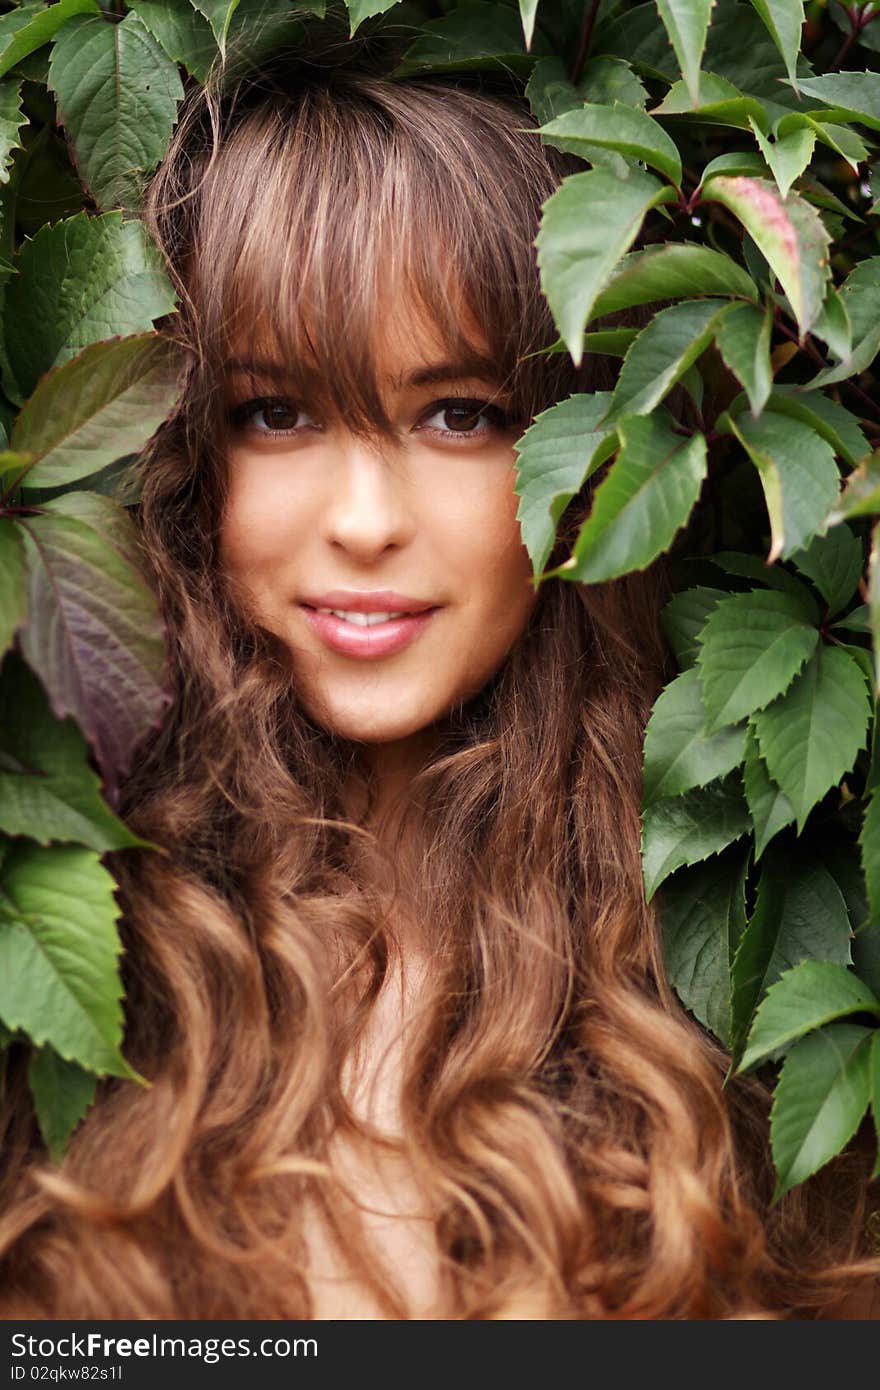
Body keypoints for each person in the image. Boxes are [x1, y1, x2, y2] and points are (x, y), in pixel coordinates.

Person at [0, 43, 877, 1321]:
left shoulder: (742, 970)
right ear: (176, 449)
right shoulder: (73, 951)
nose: (365, 520)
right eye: (276, 411)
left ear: (585, 455)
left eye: (460, 413)